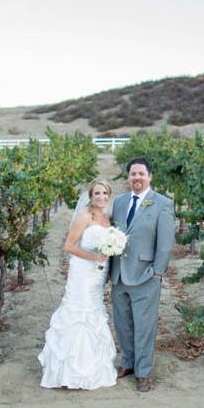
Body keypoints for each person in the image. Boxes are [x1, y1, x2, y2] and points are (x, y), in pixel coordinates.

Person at [39, 179, 118, 390]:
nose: (101, 197)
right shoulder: (85, 217)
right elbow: (68, 246)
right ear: (90, 197)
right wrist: (92, 257)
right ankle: (70, 371)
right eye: (97, 194)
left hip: (99, 274)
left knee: (94, 311)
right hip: (83, 272)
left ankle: (93, 367)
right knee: (78, 313)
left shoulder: (108, 218)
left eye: (105, 193)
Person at [110, 158, 175, 393]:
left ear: (150, 176)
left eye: (141, 174)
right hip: (118, 275)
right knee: (123, 324)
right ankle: (128, 363)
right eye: (133, 174)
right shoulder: (118, 202)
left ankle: (144, 372)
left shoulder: (162, 204)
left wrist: (157, 273)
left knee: (144, 326)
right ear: (128, 177)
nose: (136, 178)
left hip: (145, 275)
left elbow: (166, 244)